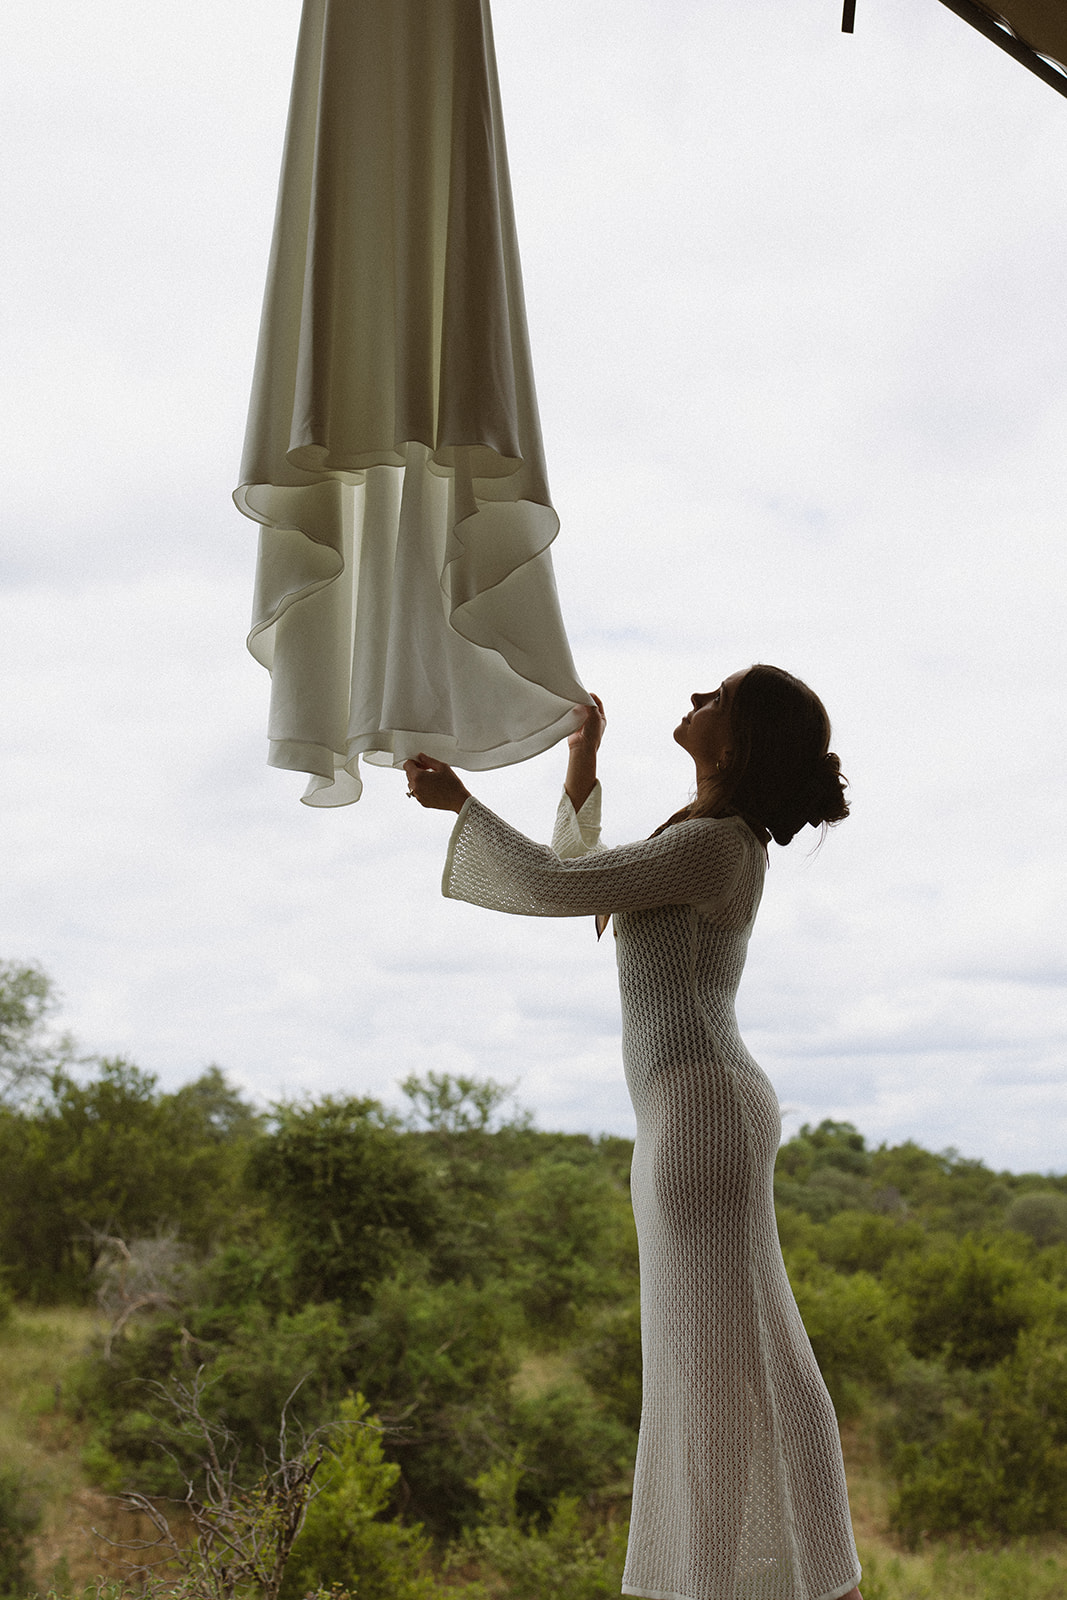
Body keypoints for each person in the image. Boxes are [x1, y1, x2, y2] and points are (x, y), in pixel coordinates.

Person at [404, 665, 862, 1600]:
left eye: (717, 696)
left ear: (741, 737)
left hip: (702, 1117)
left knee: (718, 1359)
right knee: (717, 1356)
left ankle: (770, 1577)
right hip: (686, 1116)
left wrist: (460, 804)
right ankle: (758, 1575)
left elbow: (542, 884)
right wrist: (582, 757)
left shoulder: (721, 846)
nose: (695, 700)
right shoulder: (700, 837)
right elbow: (578, 877)